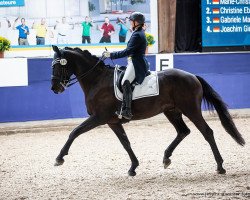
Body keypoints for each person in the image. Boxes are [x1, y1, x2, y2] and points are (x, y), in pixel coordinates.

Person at [103, 12, 149, 120]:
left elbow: (128, 51)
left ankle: (127, 110)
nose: (129, 23)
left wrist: (111, 55)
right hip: (134, 61)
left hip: (137, 63)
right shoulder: (137, 32)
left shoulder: (138, 34)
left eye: (131, 21)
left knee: (125, 81)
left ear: (136, 22)